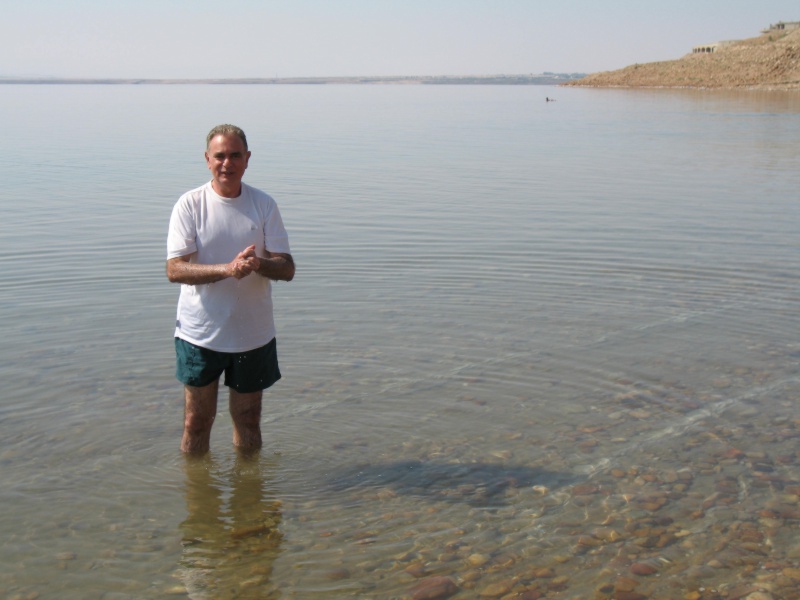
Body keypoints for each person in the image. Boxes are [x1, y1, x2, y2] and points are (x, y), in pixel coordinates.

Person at [167, 124, 295, 454]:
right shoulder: (190, 204)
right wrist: (228, 269)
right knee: (196, 420)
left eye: (235, 155)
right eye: (220, 156)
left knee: (249, 419)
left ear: (247, 159)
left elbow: (287, 268)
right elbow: (175, 269)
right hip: (200, 334)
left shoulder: (264, 204)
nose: (228, 163)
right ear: (207, 160)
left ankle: (249, 500)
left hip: (252, 334)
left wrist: (258, 265)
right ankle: (198, 502)